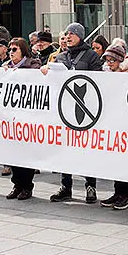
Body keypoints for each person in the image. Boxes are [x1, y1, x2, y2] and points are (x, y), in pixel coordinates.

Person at [44, 22, 104, 203]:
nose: (68, 36)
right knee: (64, 148)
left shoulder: (91, 56)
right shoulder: (60, 57)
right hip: (64, 109)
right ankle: (66, 186)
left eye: (72, 33)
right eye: (66, 33)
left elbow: (99, 79)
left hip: (85, 109)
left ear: (80, 35)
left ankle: (90, 186)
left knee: (87, 149)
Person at [1, 37, 41, 200]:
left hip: (28, 117)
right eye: (9, 50)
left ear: (23, 50)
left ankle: (27, 186)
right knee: (13, 153)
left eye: (14, 50)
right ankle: (17, 184)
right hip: (11, 117)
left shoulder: (33, 64)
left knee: (26, 153)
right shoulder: (7, 67)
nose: (11, 53)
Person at [97, 44, 128, 210]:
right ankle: (118, 192)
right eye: (107, 59)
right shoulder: (107, 75)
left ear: (120, 61)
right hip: (112, 122)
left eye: (112, 60)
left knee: (125, 161)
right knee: (115, 160)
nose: (109, 63)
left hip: (126, 124)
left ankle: (127, 195)